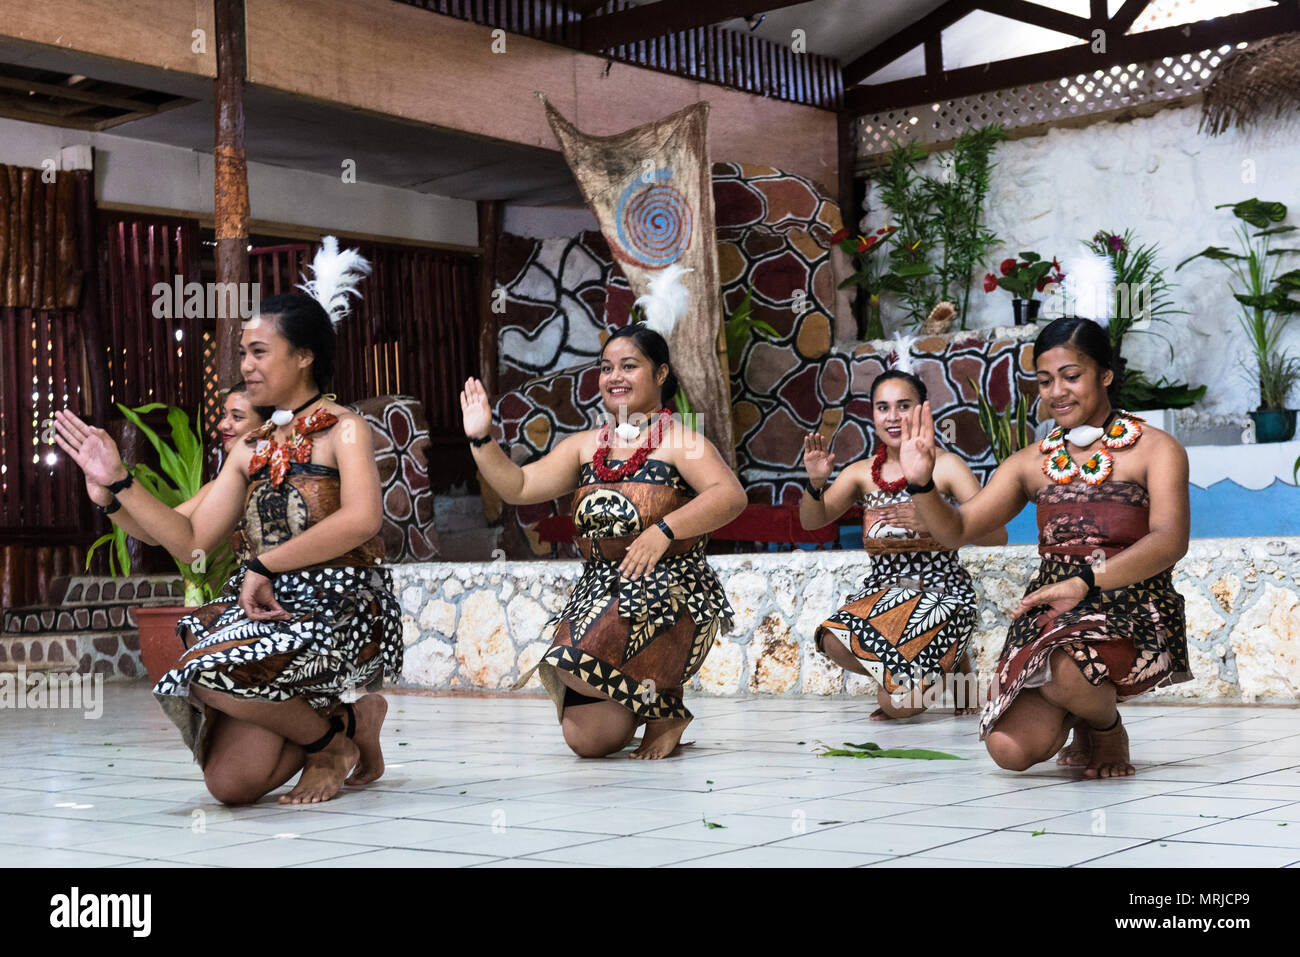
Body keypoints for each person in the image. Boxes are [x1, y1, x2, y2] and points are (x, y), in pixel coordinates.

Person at [53, 237, 402, 805]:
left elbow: (362, 520)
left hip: (338, 609)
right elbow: (187, 539)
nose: (245, 365)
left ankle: (333, 743)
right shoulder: (252, 449)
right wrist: (115, 488)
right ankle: (344, 723)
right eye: (243, 353)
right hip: (263, 613)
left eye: (260, 351)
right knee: (231, 786)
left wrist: (264, 563)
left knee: (203, 669)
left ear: (305, 355)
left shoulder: (346, 429)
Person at [897, 316, 1190, 778]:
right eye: (1045, 380)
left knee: (1068, 664)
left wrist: (1087, 581)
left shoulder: (1156, 449)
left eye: (1071, 376)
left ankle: (1106, 727)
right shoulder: (1030, 463)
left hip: (1130, 604)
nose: (1057, 392)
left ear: (1106, 374)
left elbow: (1170, 540)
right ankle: (1081, 712)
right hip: (1051, 617)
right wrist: (920, 484)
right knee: (1009, 751)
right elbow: (957, 530)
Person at [464, 323, 746, 759]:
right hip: (597, 594)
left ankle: (659, 700)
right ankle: (661, 709)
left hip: (666, 591)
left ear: (661, 374)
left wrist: (663, 531)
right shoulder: (582, 447)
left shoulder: (681, 440)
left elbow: (730, 496)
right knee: (588, 740)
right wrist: (481, 438)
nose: (615, 375)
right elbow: (518, 487)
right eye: (606, 367)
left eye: (629, 366)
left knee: (568, 661)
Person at [801, 365, 1007, 721]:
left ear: (923, 410)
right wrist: (815, 483)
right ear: (873, 416)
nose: (893, 416)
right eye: (883, 407)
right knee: (832, 639)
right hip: (882, 598)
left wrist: (933, 518)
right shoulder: (861, 474)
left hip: (940, 597)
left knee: (896, 706)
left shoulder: (947, 467)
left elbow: (998, 536)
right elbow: (811, 521)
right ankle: (937, 669)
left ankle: (944, 667)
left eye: (903, 405)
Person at [81, 383, 270, 544]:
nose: (223, 425)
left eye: (237, 417)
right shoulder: (222, 488)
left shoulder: (287, 478)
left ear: (266, 424)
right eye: (224, 415)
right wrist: (107, 501)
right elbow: (154, 534)